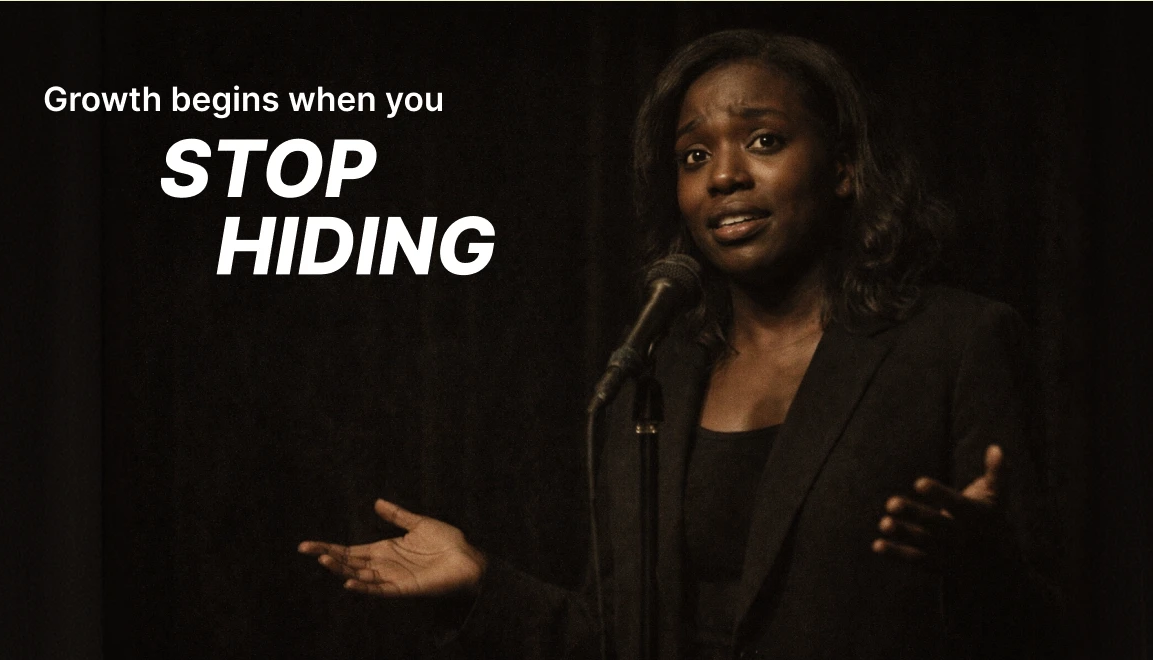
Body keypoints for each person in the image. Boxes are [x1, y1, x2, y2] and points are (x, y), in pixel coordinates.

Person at [300, 30, 1060, 659]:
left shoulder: (955, 344)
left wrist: (980, 573)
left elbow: (1045, 629)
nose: (725, 175)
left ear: (843, 169)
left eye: (764, 140)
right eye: (694, 156)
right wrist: (481, 582)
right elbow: (617, 640)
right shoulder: (653, 376)